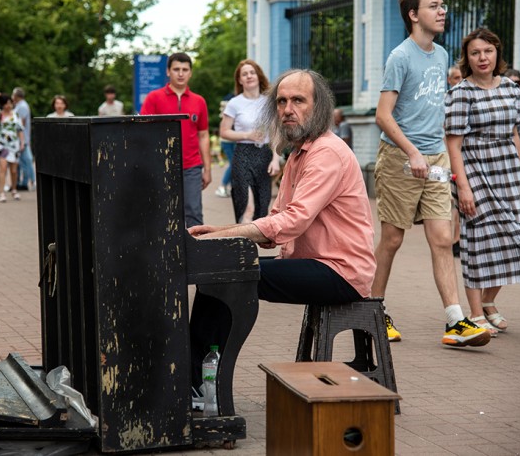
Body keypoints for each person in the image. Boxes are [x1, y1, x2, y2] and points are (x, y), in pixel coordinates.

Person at [188, 68, 376, 388]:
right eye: (282, 101)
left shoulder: (325, 153)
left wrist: (223, 237)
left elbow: (290, 222)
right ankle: (198, 378)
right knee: (219, 274)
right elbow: (276, 219)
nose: (288, 109)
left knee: (231, 276)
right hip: (315, 263)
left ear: (318, 107)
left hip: (340, 271)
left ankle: (200, 385)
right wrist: (219, 230)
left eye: (298, 101)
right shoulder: (299, 153)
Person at [372, 0, 490, 347]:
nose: (442, 11)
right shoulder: (400, 57)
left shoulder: (440, 55)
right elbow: (382, 115)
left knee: (442, 238)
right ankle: (373, 311)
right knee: (392, 239)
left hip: (435, 159)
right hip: (400, 160)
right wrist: (411, 151)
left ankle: (456, 322)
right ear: (413, 14)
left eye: (442, 5)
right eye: (433, 6)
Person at [445, 28, 520, 335]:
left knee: (518, 237)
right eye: (475, 53)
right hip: (475, 174)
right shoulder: (461, 94)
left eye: (487, 51)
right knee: (478, 243)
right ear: (467, 58)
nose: (482, 58)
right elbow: (453, 145)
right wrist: (462, 187)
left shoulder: (512, 90)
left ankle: (489, 301)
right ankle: (476, 313)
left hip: (510, 173)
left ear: (497, 53)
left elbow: (514, 135)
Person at [140, 53, 211, 227]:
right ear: (168, 72)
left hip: (191, 167)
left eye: (185, 70)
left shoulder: (199, 101)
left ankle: (196, 253)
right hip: (161, 166)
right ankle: (165, 253)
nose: (181, 74)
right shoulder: (154, 98)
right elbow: (142, 132)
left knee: (194, 213)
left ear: (190, 73)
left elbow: (203, 135)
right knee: (162, 212)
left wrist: (207, 168)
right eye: (176, 69)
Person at [219, 60, 281, 223]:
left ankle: (251, 243)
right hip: (243, 155)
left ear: (258, 76)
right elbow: (224, 131)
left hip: (264, 156)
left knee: (261, 208)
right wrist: (247, 135)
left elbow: (275, 132)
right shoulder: (234, 103)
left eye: (252, 72)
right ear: (239, 80)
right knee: (247, 206)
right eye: (244, 74)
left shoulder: (269, 102)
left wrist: (275, 159)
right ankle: (243, 247)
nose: (249, 76)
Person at [0, 92, 25, 203]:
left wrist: (22, 142)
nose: (8, 105)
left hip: (14, 144)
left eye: (10, 103)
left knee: (14, 170)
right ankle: (1, 192)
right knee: (3, 168)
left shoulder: (16, 115)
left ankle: (14, 189)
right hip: (3, 145)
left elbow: (19, 129)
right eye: (5, 103)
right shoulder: (0, 114)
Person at [447, 65, 463, 258]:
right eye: (456, 78)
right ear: (450, 80)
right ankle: (455, 239)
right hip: (451, 158)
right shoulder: (445, 101)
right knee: (455, 203)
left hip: (468, 157)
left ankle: (458, 239)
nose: (460, 81)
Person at [12, 87, 34, 191]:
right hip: (22, 138)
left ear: (16, 96)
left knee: (25, 161)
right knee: (22, 161)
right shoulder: (19, 106)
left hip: (21, 139)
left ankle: (27, 182)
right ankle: (20, 182)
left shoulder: (22, 106)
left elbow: (21, 123)